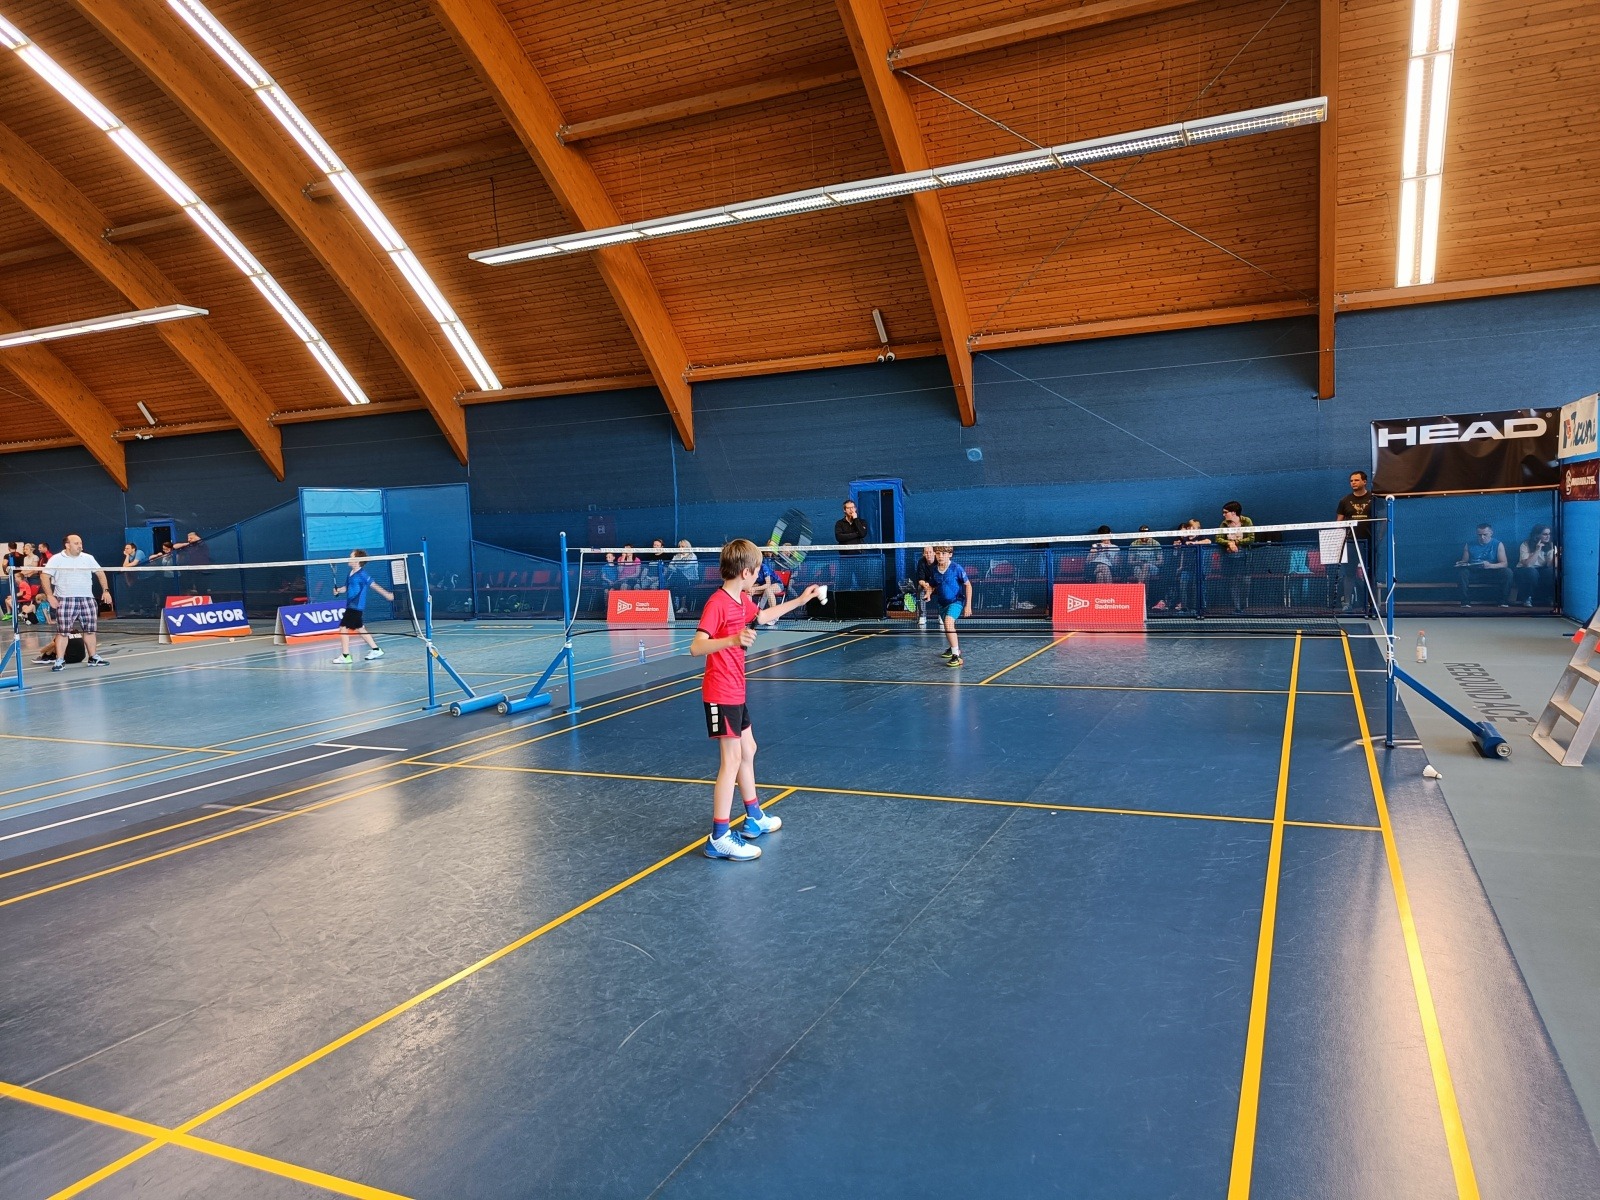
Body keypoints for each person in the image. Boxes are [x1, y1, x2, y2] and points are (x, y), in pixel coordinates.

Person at [690, 539, 820, 861]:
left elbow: (763, 616)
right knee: (731, 761)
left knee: (749, 749)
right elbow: (696, 646)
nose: (760, 575)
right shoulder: (718, 603)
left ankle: (754, 817)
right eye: (758, 570)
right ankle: (719, 837)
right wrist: (733, 639)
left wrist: (801, 600)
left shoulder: (742, 600)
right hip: (720, 692)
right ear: (746, 572)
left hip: (736, 690)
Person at [37, 533, 109, 670]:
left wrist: (106, 590)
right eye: (76, 543)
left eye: (81, 543)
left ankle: (93, 657)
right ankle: (59, 660)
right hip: (65, 600)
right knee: (63, 632)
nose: (80, 546)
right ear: (67, 545)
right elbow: (44, 576)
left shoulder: (88, 558)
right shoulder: (56, 559)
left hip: (87, 599)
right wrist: (50, 596)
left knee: (90, 631)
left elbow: (100, 573)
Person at [330, 549, 395, 663]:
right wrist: (338, 590)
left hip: (356, 606)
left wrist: (386, 594)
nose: (349, 558)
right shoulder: (350, 573)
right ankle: (376, 650)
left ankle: (345, 656)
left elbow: (373, 585)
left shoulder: (362, 574)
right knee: (360, 628)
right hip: (351, 605)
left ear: (357, 560)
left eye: (351, 557)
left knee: (343, 628)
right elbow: (347, 588)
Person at [919, 543, 972, 667]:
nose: (940, 556)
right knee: (948, 627)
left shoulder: (956, 568)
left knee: (948, 622)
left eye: (943, 553)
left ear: (950, 555)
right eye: (938, 553)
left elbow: (968, 585)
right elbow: (932, 585)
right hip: (942, 604)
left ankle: (956, 656)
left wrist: (968, 605)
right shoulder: (934, 570)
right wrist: (928, 593)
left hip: (956, 602)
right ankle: (953, 647)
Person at [1334, 471, 1375, 614]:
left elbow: (1382, 520)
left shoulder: (1374, 499)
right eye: (1351, 481)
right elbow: (1339, 522)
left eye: (1356, 480)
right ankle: (1347, 604)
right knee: (1349, 573)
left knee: (1370, 574)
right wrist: (1339, 539)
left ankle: (1371, 604)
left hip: (1369, 542)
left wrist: (1379, 538)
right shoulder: (1345, 501)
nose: (1353, 483)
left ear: (1364, 482)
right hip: (1351, 543)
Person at [1455, 523, 1512, 607]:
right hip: (1474, 572)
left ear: (1491, 533)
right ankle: (1465, 602)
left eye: (1485, 534)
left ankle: (1503, 601)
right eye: (1479, 535)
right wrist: (1460, 563)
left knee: (1508, 572)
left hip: (1492, 571)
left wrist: (1490, 565)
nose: (1482, 537)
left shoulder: (1498, 544)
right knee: (1462, 572)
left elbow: (1504, 563)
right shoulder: (1469, 544)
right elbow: (1465, 561)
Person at [1215, 502, 1256, 614]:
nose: (1223, 515)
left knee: (1246, 581)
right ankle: (1237, 608)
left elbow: (1251, 538)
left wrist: (1236, 542)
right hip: (1229, 557)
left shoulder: (1247, 521)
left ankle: (1243, 605)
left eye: (1225, 512)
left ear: (1233, 513)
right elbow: (1218, 538)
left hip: (1245, 557)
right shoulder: (1224, 523)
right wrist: (1229, 543)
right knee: (1233, 582)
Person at [1172, 520, 1210, 616]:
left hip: (1198, 568)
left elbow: (1208, 541)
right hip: (1186, 568)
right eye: (1189, 527)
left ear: (1198, 529)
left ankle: (1195, 608)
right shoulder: (1183, 539)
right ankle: (1184, 608)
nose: (1191, 529)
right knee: (1183, 585)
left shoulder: (1200, 537)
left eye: (1193, 528)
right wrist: (1176, 545)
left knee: (1195, 587)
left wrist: (1195, 543)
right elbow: (1178, 548)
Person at [1514, 525, 1558, 608]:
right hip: (1524, 569)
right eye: (1545, 534)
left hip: (1541, 569)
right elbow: (1528, 564)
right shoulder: (1525, 544)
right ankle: (1527, 598)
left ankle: (1549, 597)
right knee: (1532, 572)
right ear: (1537, 535)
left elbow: (1550, 565)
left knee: (1552, 572)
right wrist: (1537, 550)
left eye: (1549, 534)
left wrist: (1554, 553)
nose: (1548, 536)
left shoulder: (1550, 545)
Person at [835, 499, 869, 589]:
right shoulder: (839, 523)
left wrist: (855, 519)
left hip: (859, 557)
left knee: (863, 582)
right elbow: (839, 537)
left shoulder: (862, 522)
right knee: (845, 583)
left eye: (853, 507)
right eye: (849, 508)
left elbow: (863, 534)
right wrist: (856, 534)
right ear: (844, 510)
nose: (851, 510)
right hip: (845, 557)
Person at [1126, 526, 1163, 601]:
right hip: (1138, 567)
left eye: (1145, 533)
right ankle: (1145, 600)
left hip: (1153, 568)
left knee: (1146, 566)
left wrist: (1148, 563)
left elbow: (1161, 561)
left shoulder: (1155, 543)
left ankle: (1139, 590)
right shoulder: (1134, 544)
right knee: (1146, 575)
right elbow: (1130, 561)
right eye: (1142, 534)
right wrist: (1140, 563)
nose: (1144, 536)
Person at [667, 539, 699, 615]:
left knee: (680, 580)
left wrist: (676, 567)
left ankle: (682, 606)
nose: (680, 548)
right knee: (673, 581)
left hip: (691, 578)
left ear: (687, 547)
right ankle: (675, 604)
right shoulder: (676, 556)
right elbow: (670, 566)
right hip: (678, 577)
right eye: (679, 546)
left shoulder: (692, 556)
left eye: (682, 546)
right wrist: (677, 568)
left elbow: (686, 567)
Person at [912, 545, 936, 625]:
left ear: (934, 553)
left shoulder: (938, 561)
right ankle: (922, 616)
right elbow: (920, 579)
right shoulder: (921, 562)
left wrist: (931, 587)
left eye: (930, 552)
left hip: (936, 584)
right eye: (926, 552)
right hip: (925, 584)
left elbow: (939, 578)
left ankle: (942, 616)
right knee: (920, 588)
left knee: (942, 589)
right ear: (923, 554)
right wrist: (926, 585)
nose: (928, 554)